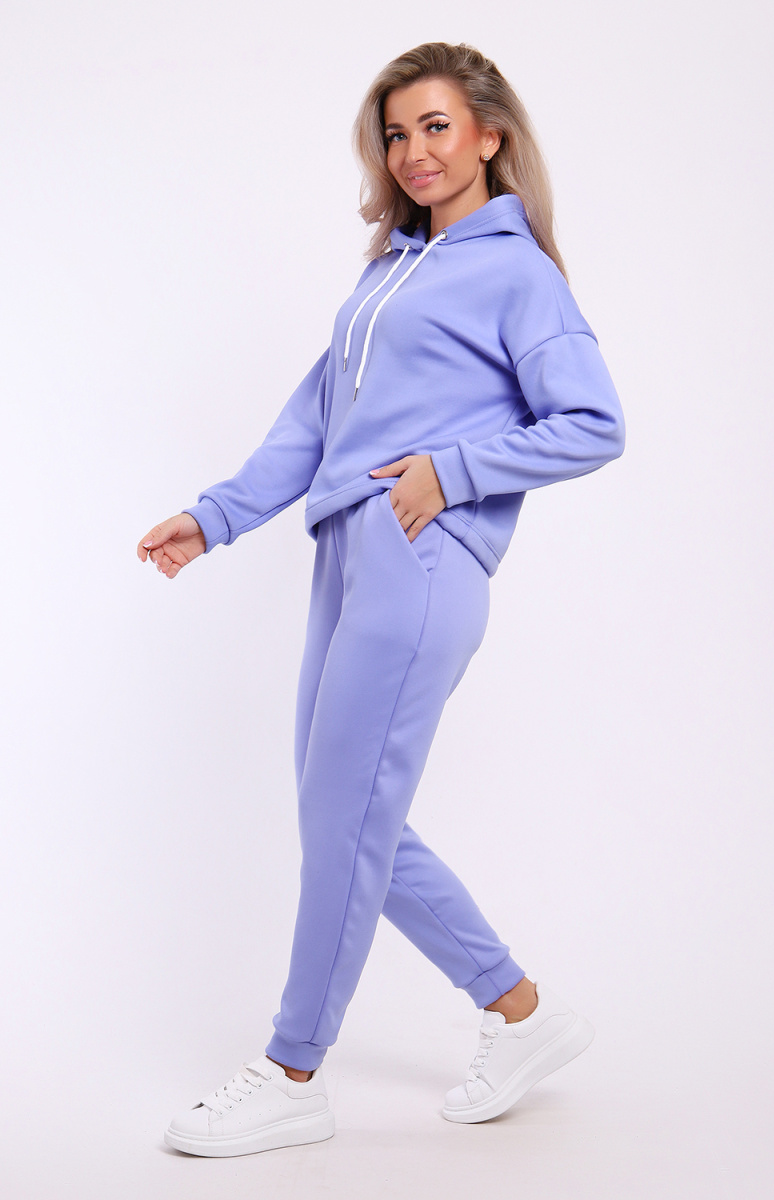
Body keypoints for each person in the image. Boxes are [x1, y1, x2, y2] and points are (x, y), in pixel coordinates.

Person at [137, 41, 625, 1158]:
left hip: (421, 557)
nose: (413, 152)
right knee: (345, 815)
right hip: (347, 555)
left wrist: (450, 472)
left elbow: (594, 422)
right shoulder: (387, 274)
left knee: (344, 817)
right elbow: (315, 420)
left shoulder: (515, 272)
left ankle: (293, 1073)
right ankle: (521, 1013)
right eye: (397, 134)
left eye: (436, 127)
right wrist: (214, 517)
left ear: (490, 136)